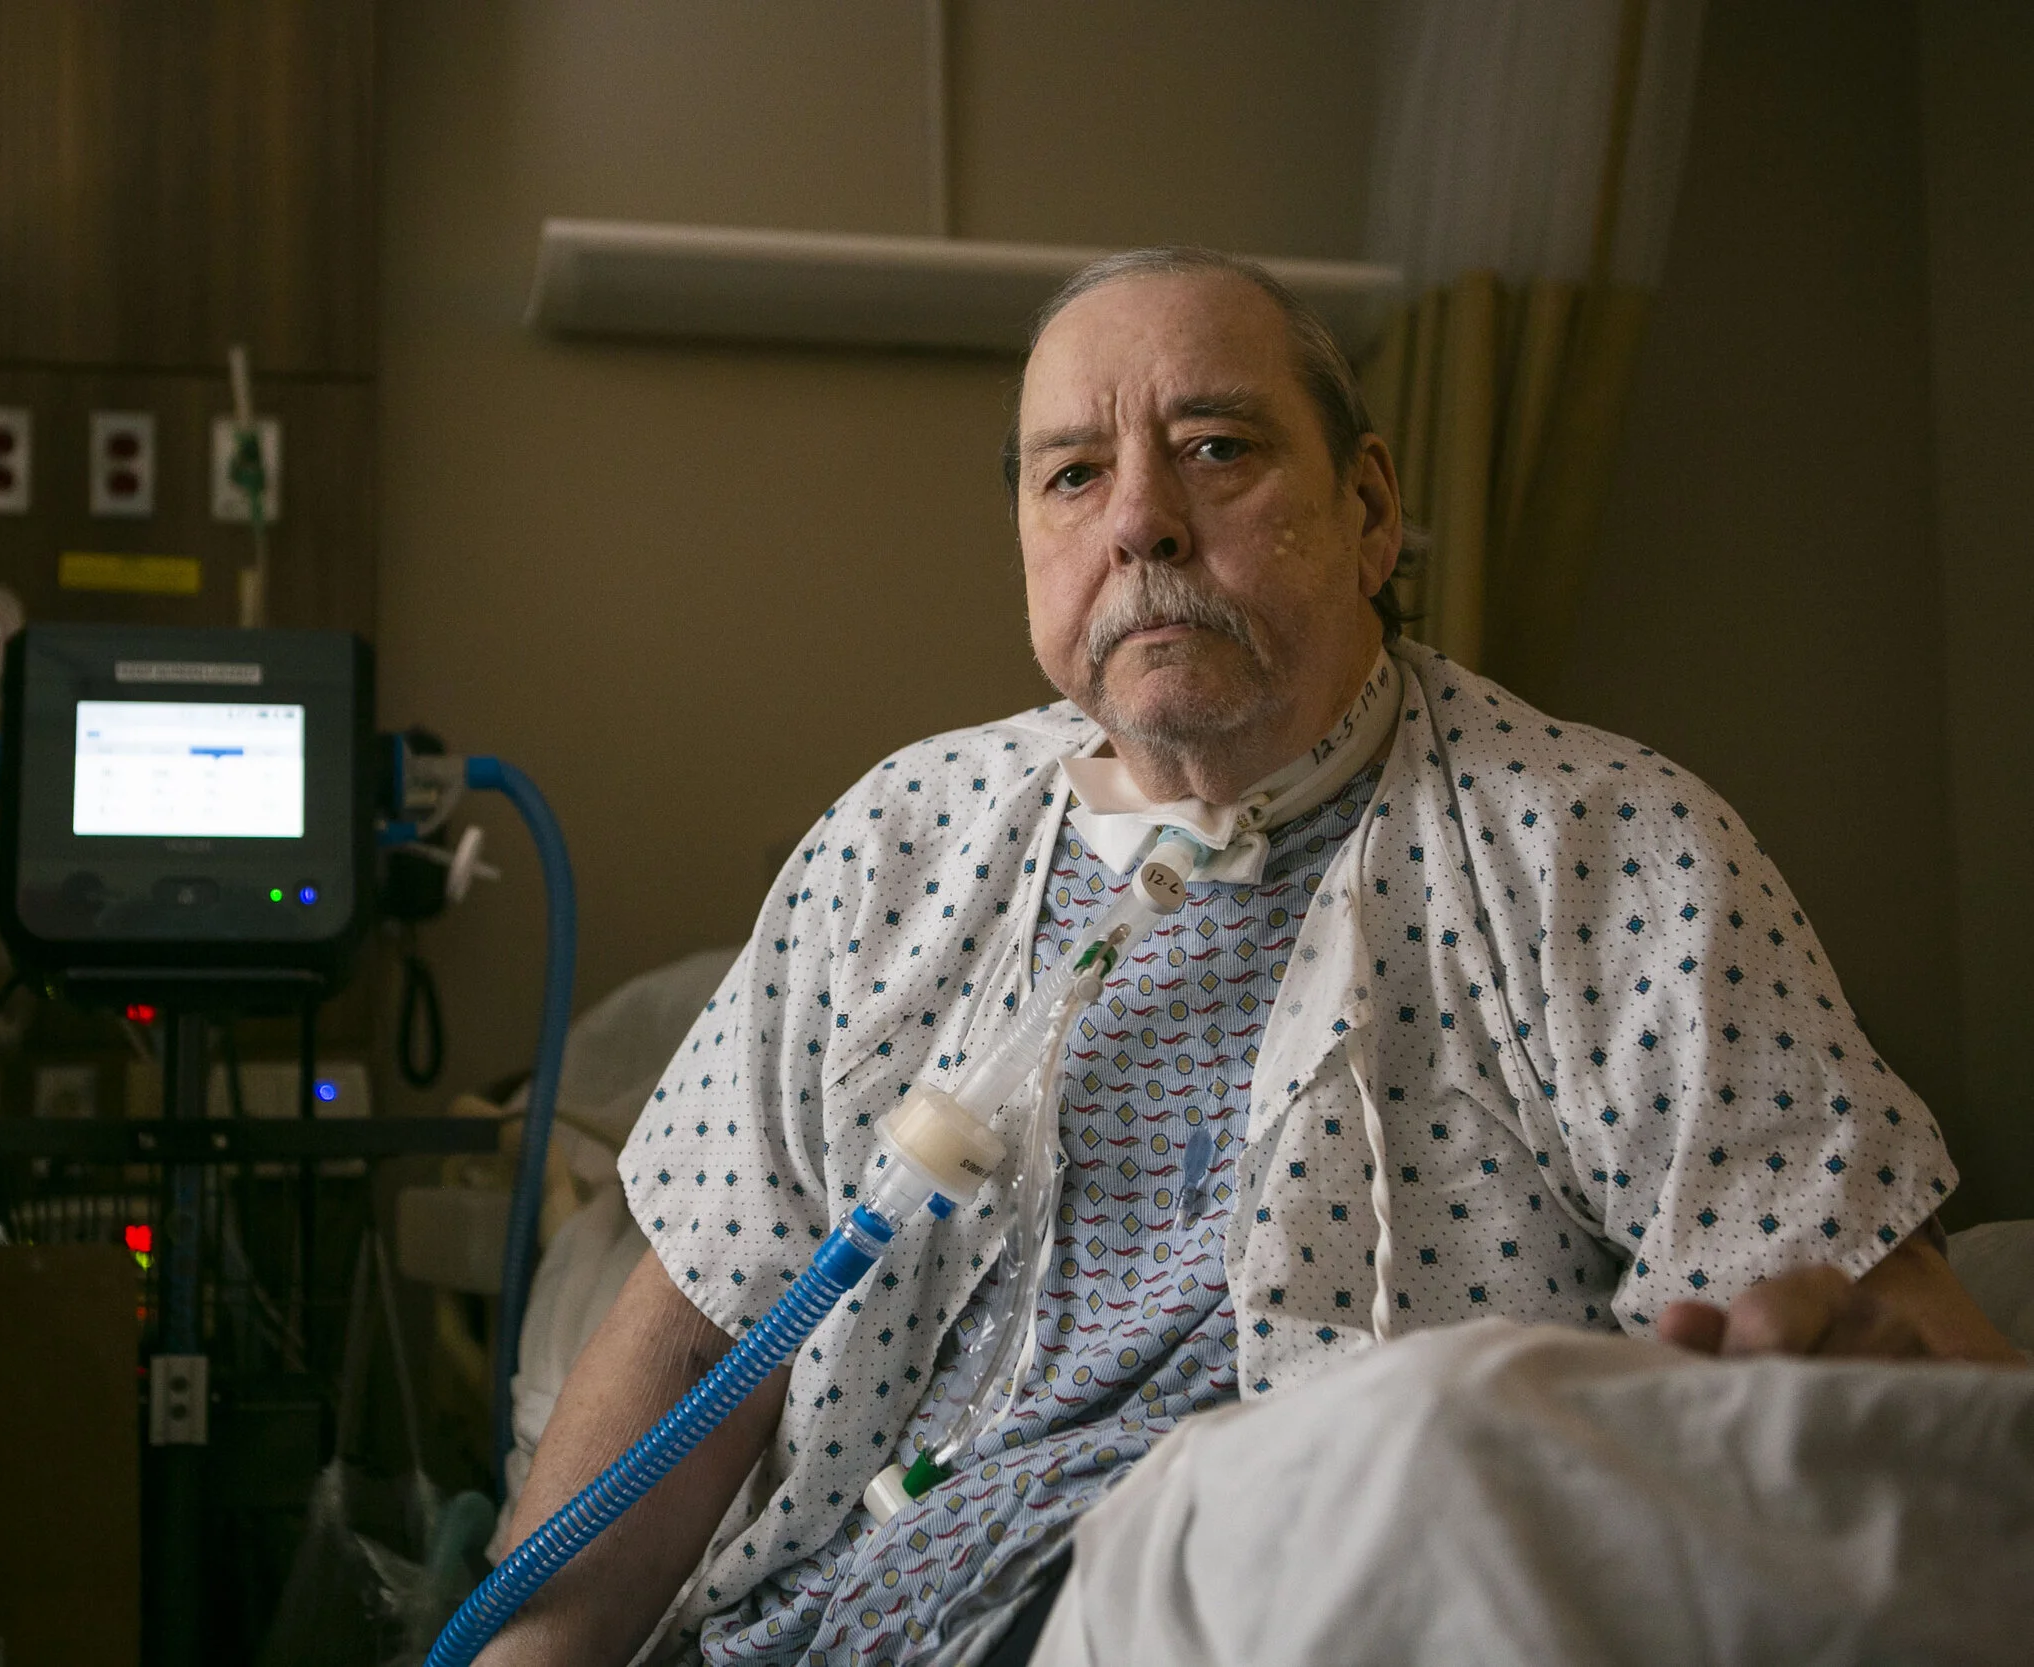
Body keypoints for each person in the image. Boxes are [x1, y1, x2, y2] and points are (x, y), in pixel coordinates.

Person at [473, 249, 2021, 1667]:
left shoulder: (1604, 851)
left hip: (1298, 1594)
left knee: (1435, 1428)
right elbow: (693, 1333)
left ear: (1369, 510)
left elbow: (1914, 1392)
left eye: (1216, 448)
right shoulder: (893, 849)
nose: (1140, 517)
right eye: (1073, 475)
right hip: (859, 1624)